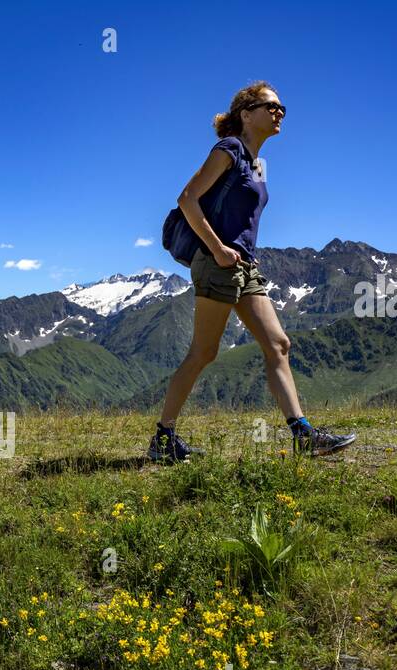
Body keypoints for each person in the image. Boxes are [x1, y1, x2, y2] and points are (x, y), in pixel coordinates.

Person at [149, 82, 356, 461]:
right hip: (217, 263)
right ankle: (163, 439)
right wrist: (219, 249)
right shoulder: (228, 149)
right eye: (270, 106)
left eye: (282, 108)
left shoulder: (256, 163)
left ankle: (304, 434)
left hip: (243, 265)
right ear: (246, 113)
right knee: (204, 352)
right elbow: (187, 198)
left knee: (278, 344)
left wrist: (243, 253)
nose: (279, 113)